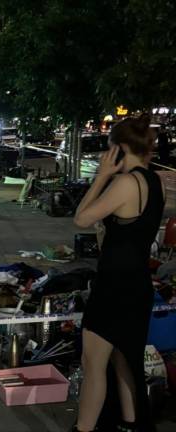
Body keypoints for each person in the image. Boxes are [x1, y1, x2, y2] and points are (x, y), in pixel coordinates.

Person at [72, 114, 165, 432]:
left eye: (110, 149)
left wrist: (101, 176)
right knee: (126, 361)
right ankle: (129, 424)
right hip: (138, 285)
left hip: (114, 286)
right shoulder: (154, 182)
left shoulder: (126, 183)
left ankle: (84, 428)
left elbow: (81, 219)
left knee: (93, 364)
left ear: (121, 149)